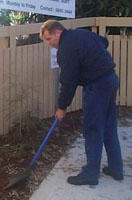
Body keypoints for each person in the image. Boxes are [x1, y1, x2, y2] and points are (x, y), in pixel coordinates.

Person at [40, 19, 123, 186]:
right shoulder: (82, 33)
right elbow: (103, 42)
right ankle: (116, 169)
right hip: (110, 80)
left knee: (92, 129)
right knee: (108, 126)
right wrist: (91, 60)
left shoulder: (65, 49)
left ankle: (91, 174)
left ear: (58, 32)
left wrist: (62, 107)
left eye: (49, 39)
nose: (49, 44)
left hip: (97, 87)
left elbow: (68, 81)